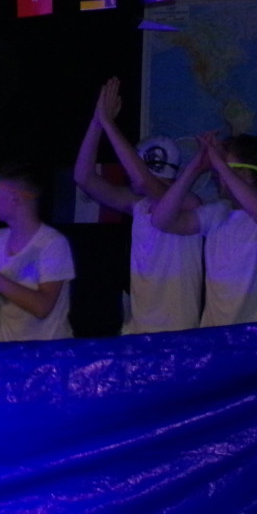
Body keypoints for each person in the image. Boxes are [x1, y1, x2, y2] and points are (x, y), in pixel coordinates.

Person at [73, 77, 202, 333]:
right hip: (139, 327)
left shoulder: (191, 203)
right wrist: (97, 123)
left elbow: (145, 183)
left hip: (177, 329)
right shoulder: (139, 205)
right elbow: (83, 177)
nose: (128, 171)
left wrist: (109, 124)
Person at [152, 131, 257, 327]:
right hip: (216, 336)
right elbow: (161, 221)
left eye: (225, 168)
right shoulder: (217, 212)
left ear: (247, 174)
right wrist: (195, 169)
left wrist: (219, 163)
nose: (217, 176)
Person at [0, 162, 75, 341]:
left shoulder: (52, 243)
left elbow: (42, 307)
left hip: (50, 352)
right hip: (10, 350)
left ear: (15, 198)